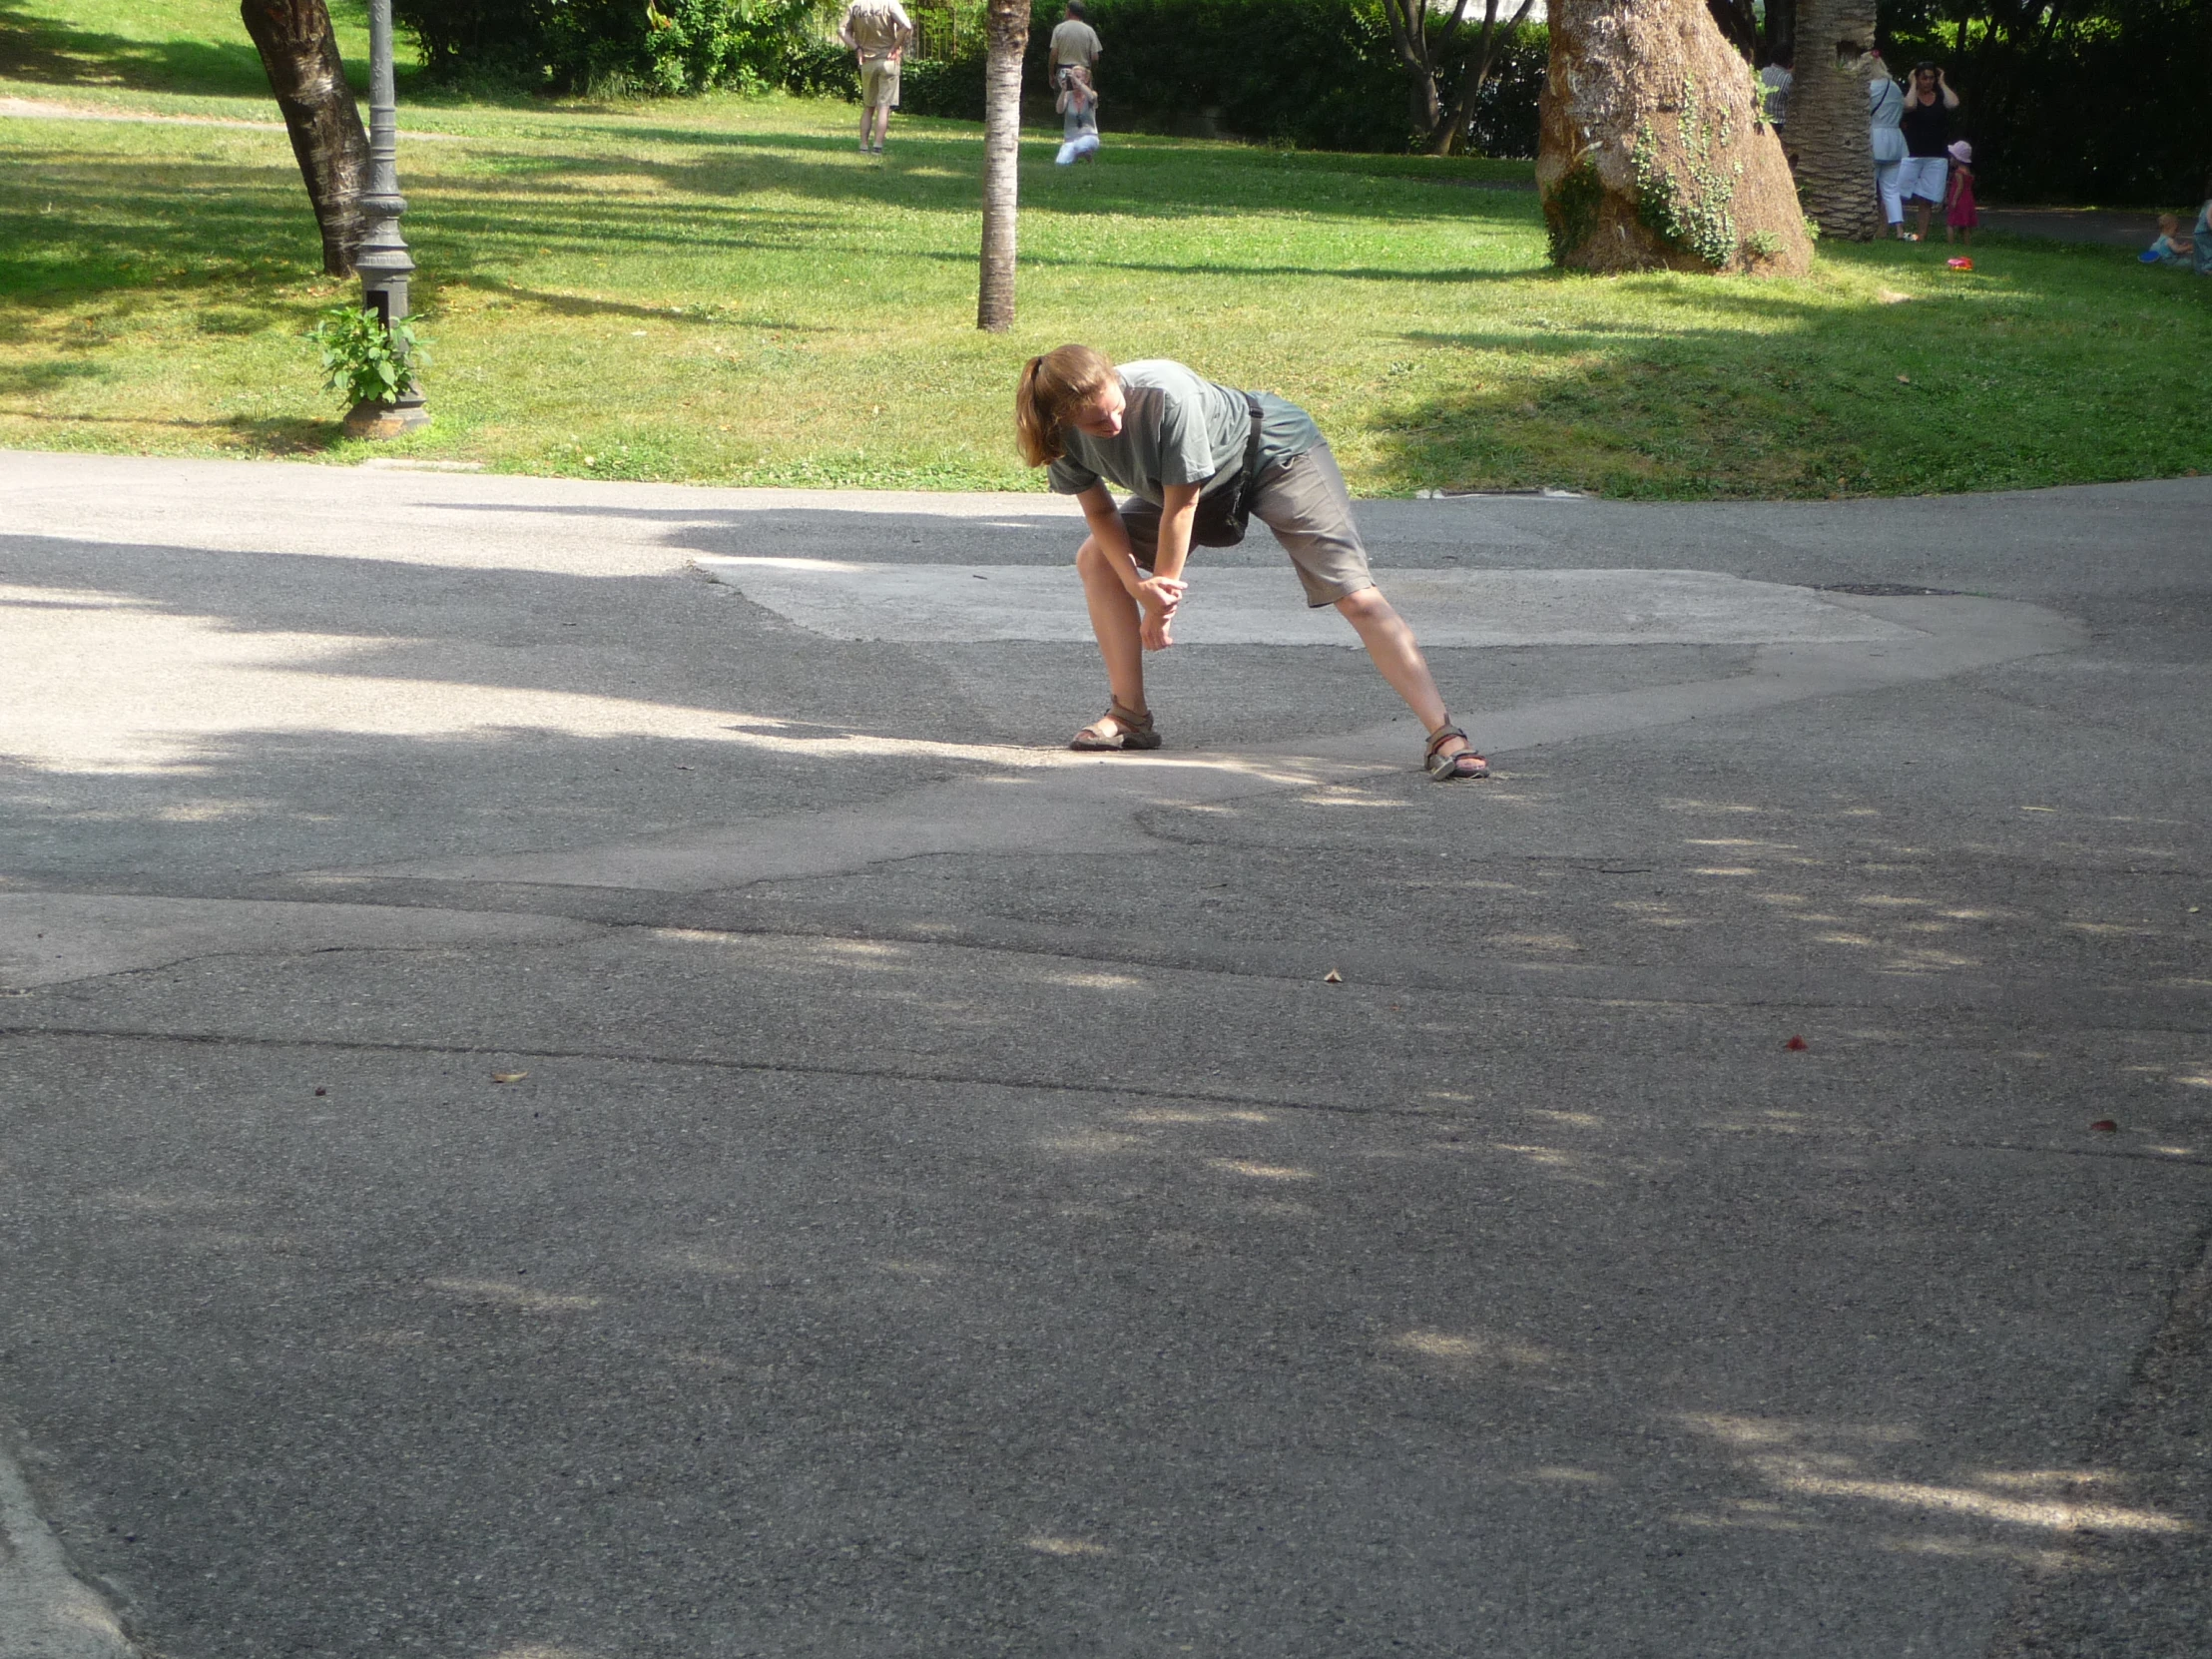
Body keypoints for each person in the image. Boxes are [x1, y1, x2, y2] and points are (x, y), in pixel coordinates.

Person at [1014, 346, 1490, 781]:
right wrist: (1134, 585)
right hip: (1197, 486)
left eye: (1116, 410)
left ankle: (1445, 735)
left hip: (1274, 454)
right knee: (1097, 559)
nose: (1113, 427)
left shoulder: (1166, 397)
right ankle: (1129, 717)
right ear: (1065, 419)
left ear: (1116, 379)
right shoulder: (1057, 433)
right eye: (1097, 425)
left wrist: (1158, 599)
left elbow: (1182, 507)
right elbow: (1100, 512)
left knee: (1355, 594)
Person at [837, 0, 912, 156]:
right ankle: (877, 147)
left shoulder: (855, 6)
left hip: (867, 61)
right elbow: (907, 25)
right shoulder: (890, 4)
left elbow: (841, 30)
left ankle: (863, 146)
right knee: (884, 107)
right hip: (888, 60)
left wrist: (857, 48)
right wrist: (894, 47)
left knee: (868, 106)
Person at [1898, 62, 1959, 243]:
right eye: (1924, 77)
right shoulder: (1912, 97)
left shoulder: (1940, 97)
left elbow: (1954, 103)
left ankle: (1921, 236)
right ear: (1917, 78)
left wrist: (1942, 82)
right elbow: (1908, 105)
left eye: (1931, 77)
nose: (1928, 81)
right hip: (1912, 154)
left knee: (1926, 199)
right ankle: (1898, 231)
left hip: (1936, 156)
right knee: (1899, 193)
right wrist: (1912, 84)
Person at [1864, 49, 1909, 240]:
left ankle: (1869, 228)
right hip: (1895, 140)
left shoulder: (1870, 88)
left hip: (1874, 138)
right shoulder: (1895, 87)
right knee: (1891, 190)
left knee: (1870, 188)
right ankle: (1899, 230)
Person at [1046, 0, 1102, 93]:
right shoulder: (1089, 31)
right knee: (1082, 105)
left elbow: (1054, 54)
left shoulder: (1059, 29)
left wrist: (1051, 73)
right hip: (1083, 72)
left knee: (1062, 105)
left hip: (1063, 71)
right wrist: (1090, 72)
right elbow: (1095, 58)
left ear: (1068, 11)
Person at [1055, 63, 1100, 166]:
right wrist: (1063, 90)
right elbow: (1059, 110)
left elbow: (1092, 98)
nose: (1074, 80)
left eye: (1078, 77)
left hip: (1089, 136)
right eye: (1072, 77)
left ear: (1086, 79)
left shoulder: (1092, 94)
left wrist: (1077, 81)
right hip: (1071, 139)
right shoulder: (1068, 95)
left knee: (1080, 146)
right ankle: (1078, 157)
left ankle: (1086, 155)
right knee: (1061, 163)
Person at [1943, 140, 1977, 246]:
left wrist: (1953, 199)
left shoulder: (1958, 173)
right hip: (1968, 199)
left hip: (1959, 200)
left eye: (1952, 157)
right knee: (1964, 225)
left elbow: (1960, 187)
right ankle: (1967, 244)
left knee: (1950, 223)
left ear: (1958, 159)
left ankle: (1950, 244)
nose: (1951, 159)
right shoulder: (1967, 171)